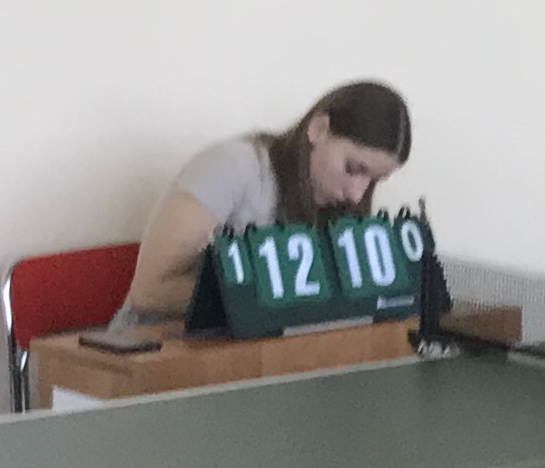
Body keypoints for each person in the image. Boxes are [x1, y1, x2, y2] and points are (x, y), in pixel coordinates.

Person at [114, 81, 414, 325]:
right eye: (353, 168)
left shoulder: (344, 206)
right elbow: (149, 291)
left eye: (374, 181)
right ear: (319, 129)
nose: (357, 194)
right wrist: (267, 291)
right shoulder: (231, 167)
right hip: (151, 353)